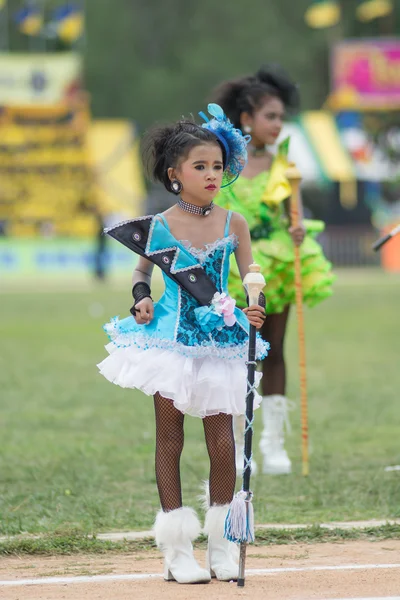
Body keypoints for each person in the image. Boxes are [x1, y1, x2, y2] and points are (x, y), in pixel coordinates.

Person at [97, 104, 268, 584]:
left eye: (217, 165)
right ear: (175, 174)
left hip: (220, 344)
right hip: (168, 345)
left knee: (222, 443)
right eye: (200, 166)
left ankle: (221, 545)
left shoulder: (235, 223)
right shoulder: (157, 226)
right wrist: (141, 297)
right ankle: (176, 551)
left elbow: (251, 280)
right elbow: (141, 271)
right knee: (169, 440)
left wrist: (255, 308)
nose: (212, 174)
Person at [212, 65, 334, 476]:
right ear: (247, 119)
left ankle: (273, 442)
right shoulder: (223, 162)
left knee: (274, 350)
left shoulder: (285, 165)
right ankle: (235, 443)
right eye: (271, 117)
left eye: (282, 118)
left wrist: (296, 228)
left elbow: (290, 214)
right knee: (234, 356)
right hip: (233, 266)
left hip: (276, 263)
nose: (278, 126)